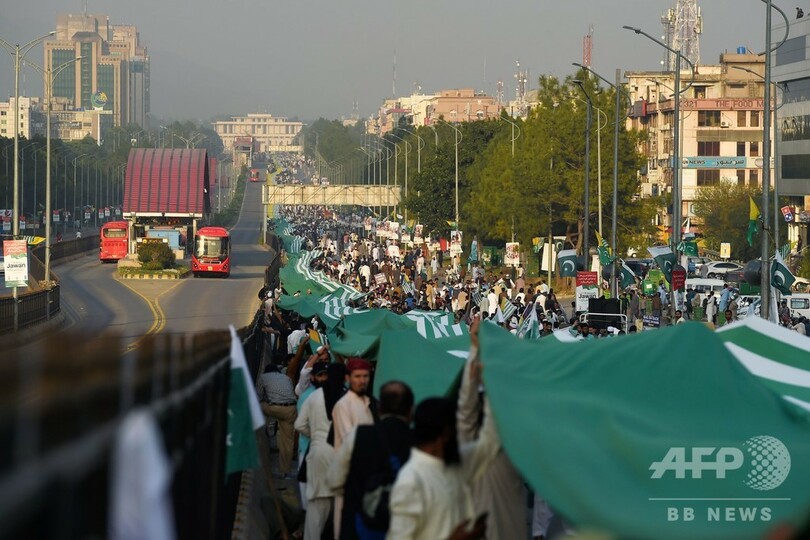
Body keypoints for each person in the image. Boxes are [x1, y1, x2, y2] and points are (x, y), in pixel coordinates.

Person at [387, 319, 500, 540]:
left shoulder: (455, 463)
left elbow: (482, 433)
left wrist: (477, 354)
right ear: (446, 434)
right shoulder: (411, 481)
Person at [328, 381, 415, 540]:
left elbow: (334, 480)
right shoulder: (420, 443)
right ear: (411, 411)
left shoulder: (359, 435)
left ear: (380, 408)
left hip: (358, 528)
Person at [294, 362, 345, 540]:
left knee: (316, 508)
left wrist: (315, 435)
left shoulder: (313, 397)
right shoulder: (347, 399)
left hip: (317, 453)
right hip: (341, 455)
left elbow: (299, 424)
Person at [332, 357, 377, 536]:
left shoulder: (367, 403)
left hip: (366, 477)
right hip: (350, 475)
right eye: (357, 376)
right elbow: (350, 442)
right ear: (348, 378)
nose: (362, 380)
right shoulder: (343, 406)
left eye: (365, 376)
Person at [258, 361, 299, 477]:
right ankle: (285, 470)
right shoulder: (286, 378)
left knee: (256, 405)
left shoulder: (263, 377)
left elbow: (259, 395)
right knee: (287, 441)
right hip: (291, 409)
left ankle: (260, 425)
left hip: (275, 409)